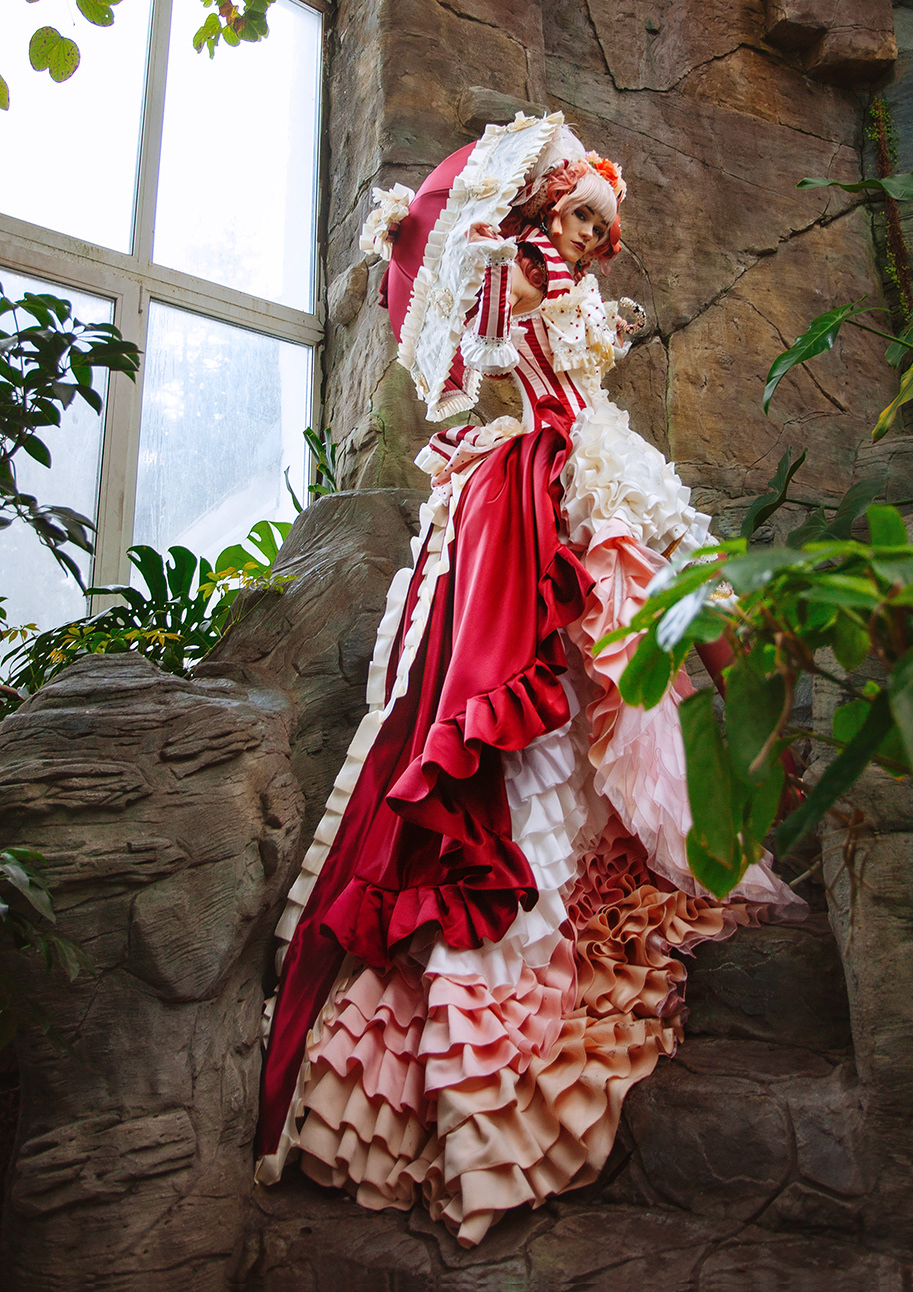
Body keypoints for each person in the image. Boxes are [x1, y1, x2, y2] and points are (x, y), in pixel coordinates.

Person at [256, 113, 804, 1247]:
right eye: (586, 215)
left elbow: (575, 377)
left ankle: (708, 793)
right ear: (550, 204)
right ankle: (485, 1055)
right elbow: (489, 366)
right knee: (540, 698)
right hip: (527, 489)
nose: (601, 237)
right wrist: (494, 263)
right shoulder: (508, 270)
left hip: (582, 468)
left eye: (609, 224)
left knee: (634, 653)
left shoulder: (565, 283)